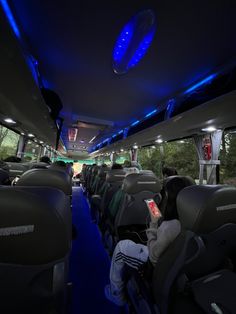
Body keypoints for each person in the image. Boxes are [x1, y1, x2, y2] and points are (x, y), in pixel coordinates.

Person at [104, 200, 181, 306]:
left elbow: (153, 256)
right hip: (175, 266)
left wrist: (153, 224)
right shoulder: (191, 220)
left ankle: (116, 295)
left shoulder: (170, 226)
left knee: (120, 247)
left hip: (156, 266)